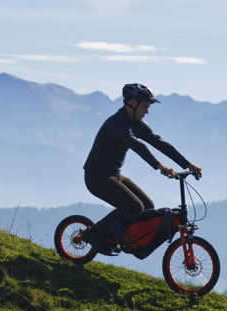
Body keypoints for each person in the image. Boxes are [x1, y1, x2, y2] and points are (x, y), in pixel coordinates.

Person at [81, 83, 202, 255]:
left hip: (113, 175)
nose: (147, 111)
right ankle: (94, 233)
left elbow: (159, 142)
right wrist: (159, 165)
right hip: (97, 177)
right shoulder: (117, 123)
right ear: (132, 102)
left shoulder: (137, 124)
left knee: (147, 206)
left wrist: (187, 164)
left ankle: (114, 235)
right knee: (133, 205)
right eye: (145, 106)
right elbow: (137, 145)